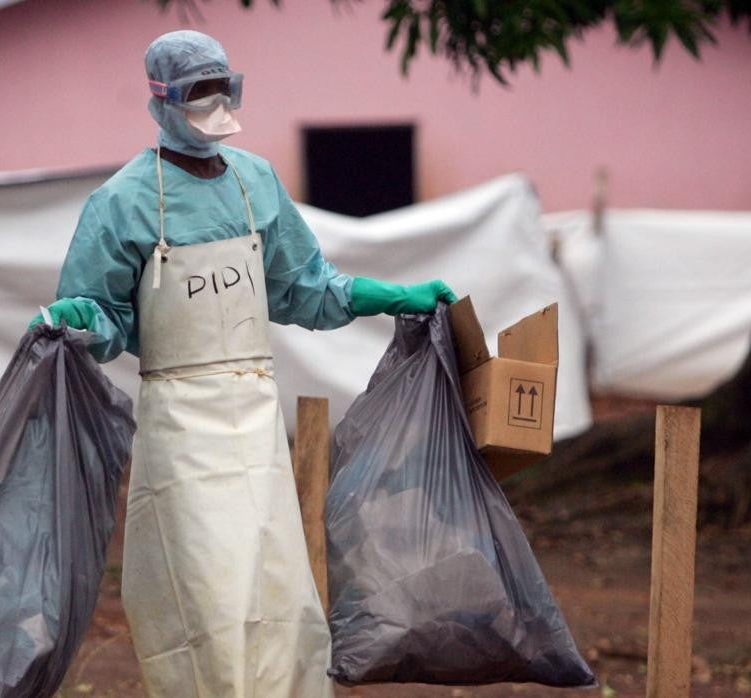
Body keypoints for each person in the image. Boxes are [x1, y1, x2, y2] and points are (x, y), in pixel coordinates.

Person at [31, 30, 457, 698]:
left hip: (254, 416)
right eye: (195, 92)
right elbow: (108, 315)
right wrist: (82, 318)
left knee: (276, 583)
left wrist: (388, 296)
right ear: (161, 101)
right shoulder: (122, 202)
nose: (210, 103)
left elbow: (306, 287)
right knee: (206, 591)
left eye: (219, 87)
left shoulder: (256, 181)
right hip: (179, 421)